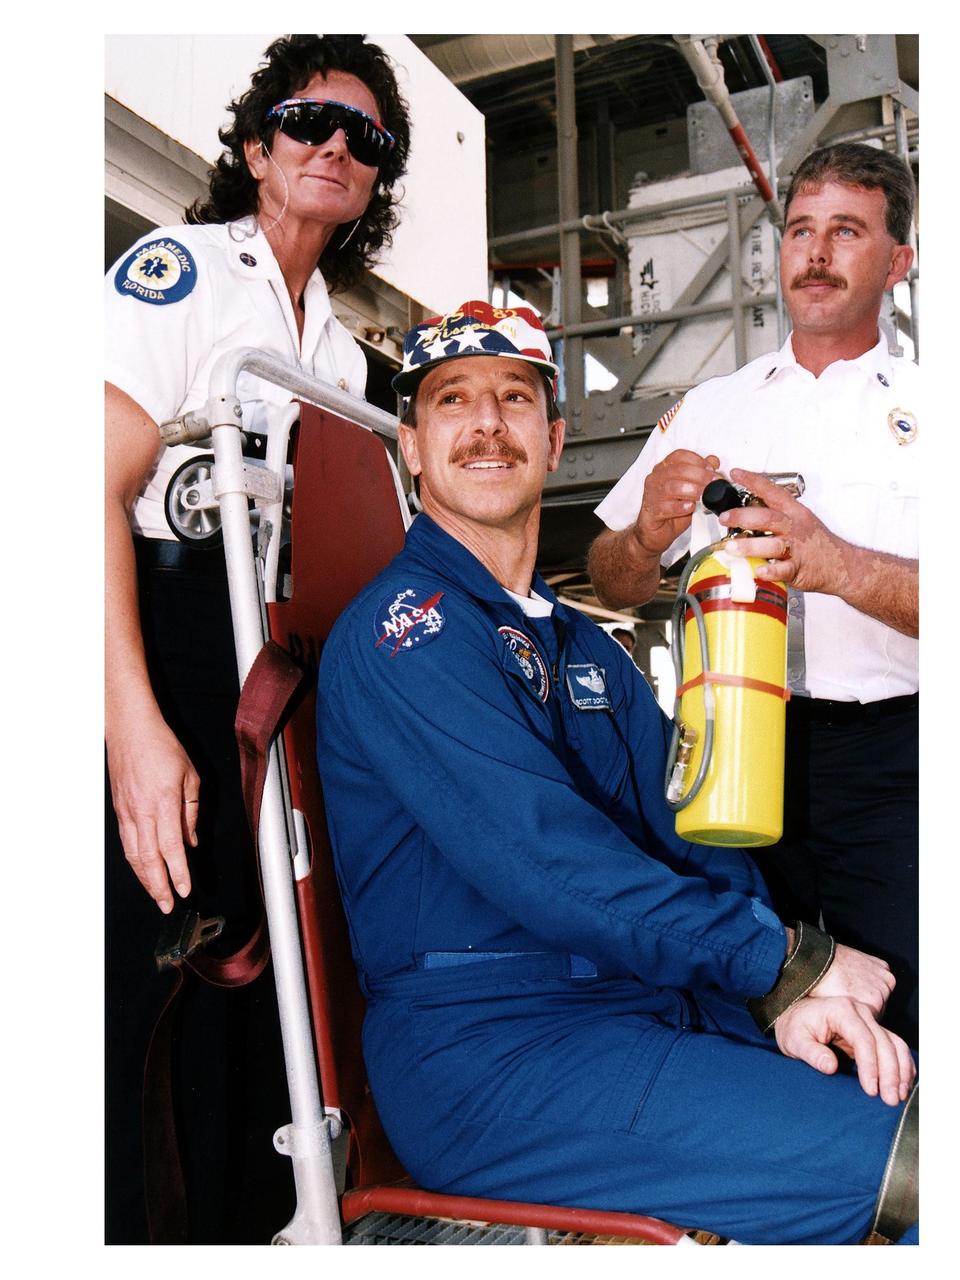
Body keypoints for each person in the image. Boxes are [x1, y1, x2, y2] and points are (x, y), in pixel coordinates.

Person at [315, 300, 918, 1246]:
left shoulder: (583, 648)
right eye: (452, 401)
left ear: (555, 441)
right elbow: (553, 867)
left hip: (634, 1012)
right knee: (923, 1166)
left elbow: (689, 828)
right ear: (412, 448)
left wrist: (782, 989)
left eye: (516, 398)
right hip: (494, 1055)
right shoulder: (408, 635)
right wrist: (781, 962)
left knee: (919, 1100)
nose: (486, 424)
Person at [104, 34, 411, 1243]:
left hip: (284, 663)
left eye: (363, 136)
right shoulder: (181, 273)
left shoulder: (338, 350)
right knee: (153, 984)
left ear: (375, 177)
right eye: (306, 121)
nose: (334, 145)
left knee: (267, 974)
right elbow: (79, 491)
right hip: (168, 639)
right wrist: (132, 729)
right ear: (255, 147)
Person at [587, 143, 919, 1046]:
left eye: (846, 231)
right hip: (726, 740)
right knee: (750, 1008)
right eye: (801, 230)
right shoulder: (708, 409)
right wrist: (645, 535)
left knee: (909, 1007)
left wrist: (839, 565)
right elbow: (610, 576)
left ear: (899, 260)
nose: (816, 252)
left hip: (895, 761)